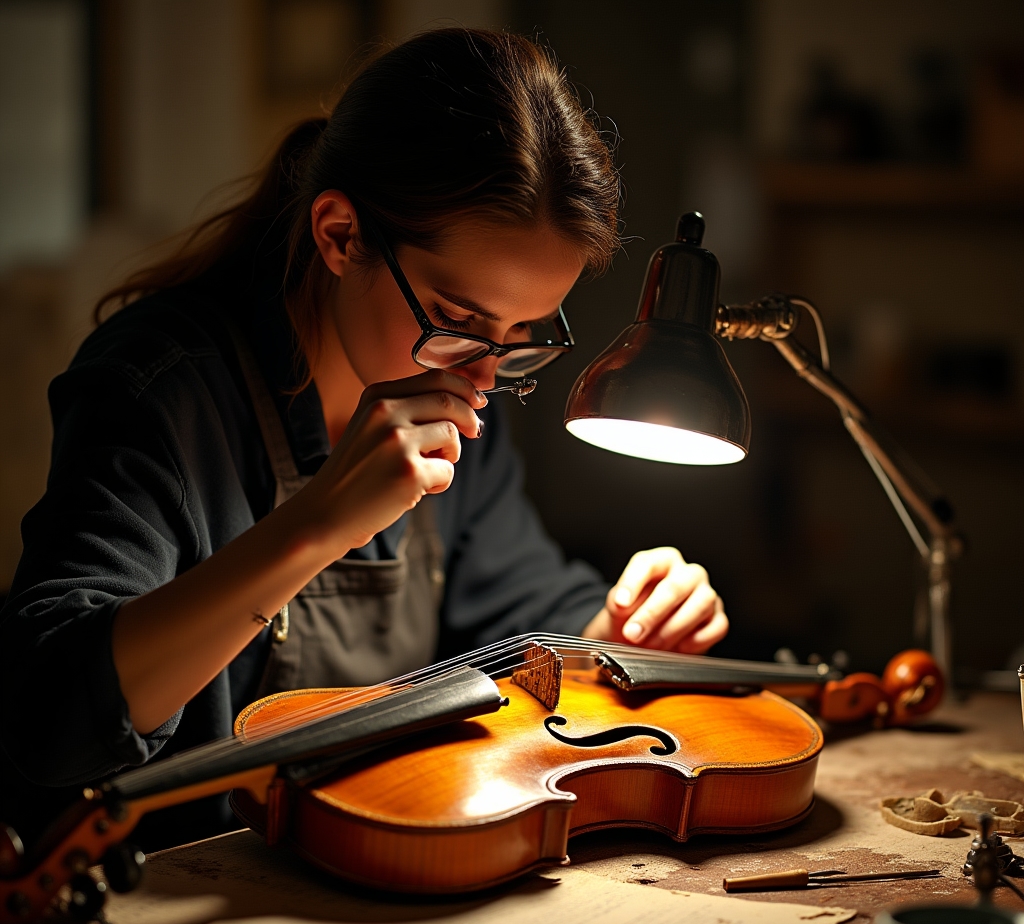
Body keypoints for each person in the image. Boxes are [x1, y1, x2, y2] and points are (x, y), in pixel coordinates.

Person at [0, 28, 728, 852]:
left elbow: (520, 611)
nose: (487, 373)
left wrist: (618, 627)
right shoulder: (161, 387)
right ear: (341, 236)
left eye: (523, 333)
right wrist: (319, 525)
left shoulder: (464, 395)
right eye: (458, 320)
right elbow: (47, 716)